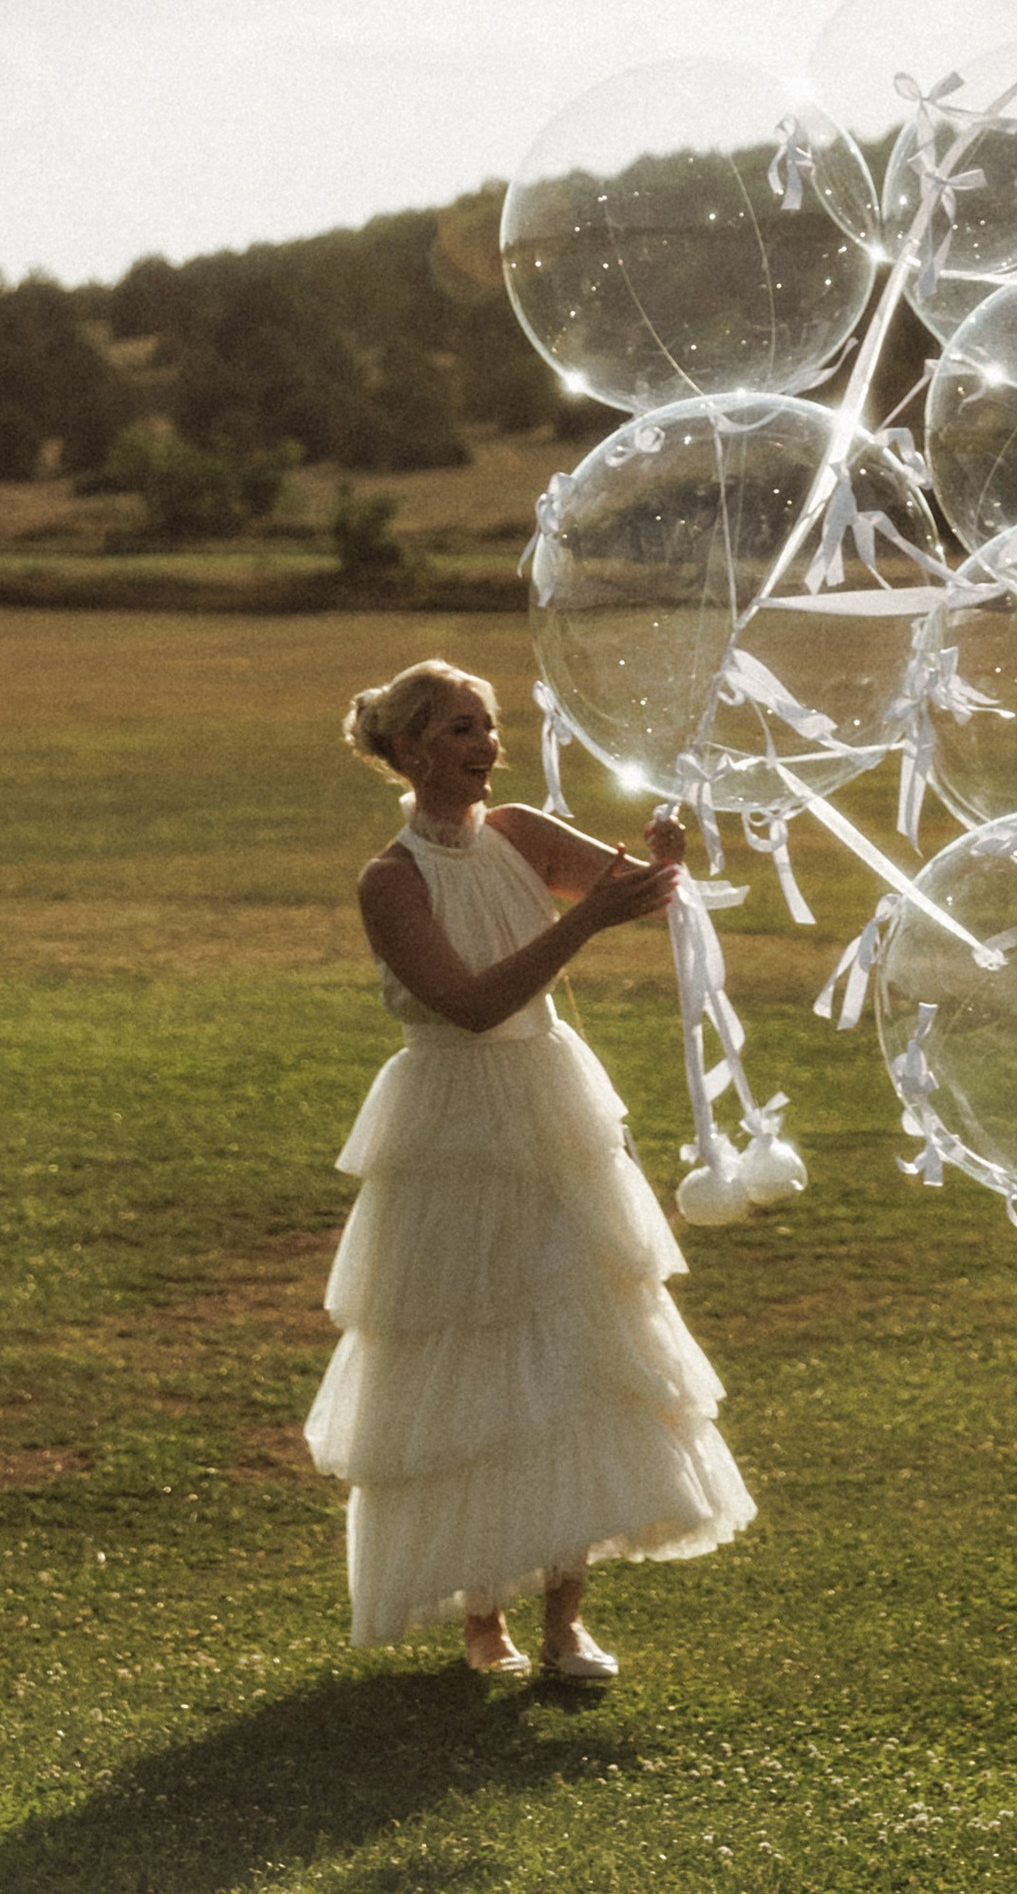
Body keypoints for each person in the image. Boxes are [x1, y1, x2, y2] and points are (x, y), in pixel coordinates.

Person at [304, 657, 755, 1682]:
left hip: (551, 1106)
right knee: (469, 1353)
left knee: (576, 1339)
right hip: (452, 1122)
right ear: (411, 748)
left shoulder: (515, 830)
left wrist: (659, 860)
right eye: (460, 728)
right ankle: (482, 1615)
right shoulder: (390, 878)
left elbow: (633, 893)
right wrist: (583, 921)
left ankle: (564, 1621)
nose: (484, 745)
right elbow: (467, 1003)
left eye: (489, 725)